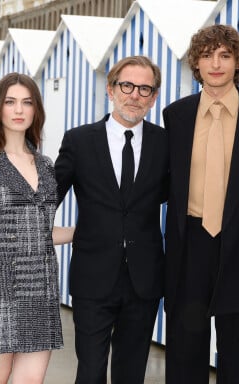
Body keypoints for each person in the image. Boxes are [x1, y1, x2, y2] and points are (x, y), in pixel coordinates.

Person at [162, 24, 239, 383]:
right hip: (189, 246)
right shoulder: (176, 116)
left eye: (224, 55)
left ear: (238, 62)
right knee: (185, 355)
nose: (215, 63)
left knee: (237, 355)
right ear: (196, 64)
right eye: (206, 55)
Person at [54, 55, 168, 384]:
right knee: (90, 370)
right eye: (127, 85)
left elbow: (178, 198)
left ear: (154, 97)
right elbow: (48, 200)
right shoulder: (79, 141)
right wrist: (8, 232)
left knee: (131, 371)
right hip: (93, 276)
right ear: (110, 89)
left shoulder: (165, 143)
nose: (135, 95)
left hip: (144, 278)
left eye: (145, 89)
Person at [0, 72, 74, 383]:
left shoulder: (46, 165)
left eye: (27, 102)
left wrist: (84, 230)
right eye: (11, 102)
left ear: (36, 110)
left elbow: (42, 231)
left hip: (42, 286)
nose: (19, 110)